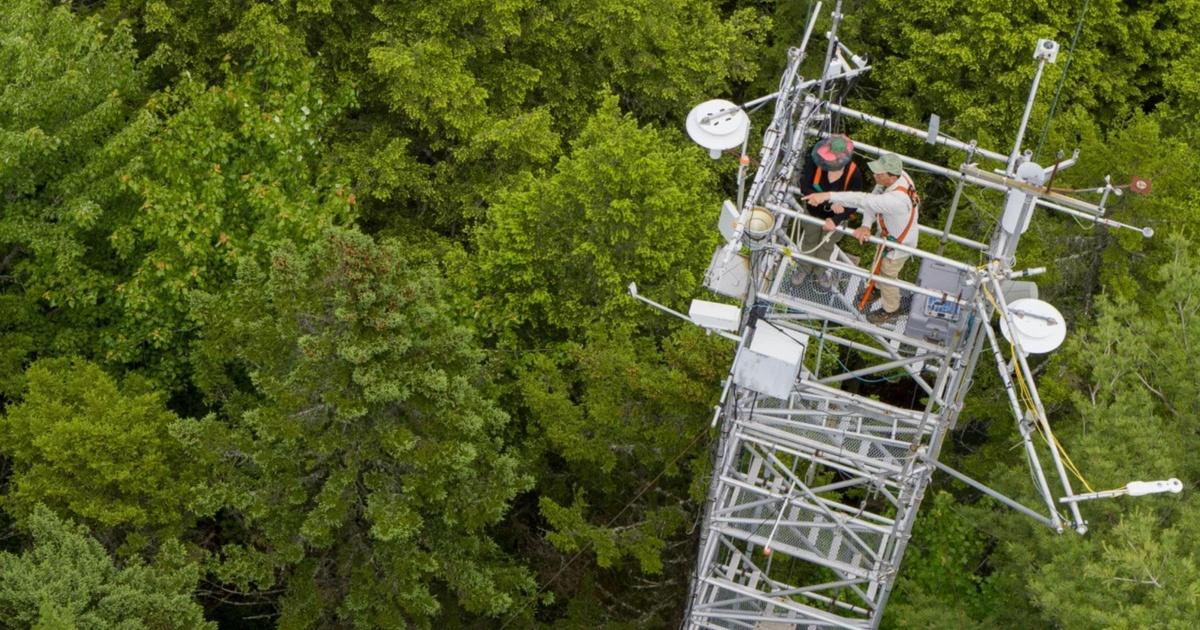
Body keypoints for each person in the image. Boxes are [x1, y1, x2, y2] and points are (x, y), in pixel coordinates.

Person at [802, 152, 918, 325]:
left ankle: (891, 308)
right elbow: (873, 200)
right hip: (889, 235)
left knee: (887, 274)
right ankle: (877, 289)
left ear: (891, 177)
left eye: (879, 173)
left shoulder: (897, 200)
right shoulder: (898, 180)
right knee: (877, 267)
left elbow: (862, 200)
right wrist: (865, 225)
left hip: (899, 244)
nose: (874, 175)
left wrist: (827, 196)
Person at [790, 134, 865, 291]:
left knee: (827, 245)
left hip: (835, 219)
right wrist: (816, 198)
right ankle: (804, 269)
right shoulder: (816, 161)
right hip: (813, 212)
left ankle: (820, 271)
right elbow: (805, 183)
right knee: (809, 240)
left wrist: (837, 218)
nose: (827, 162)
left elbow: (855, 202)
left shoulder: (853, 174)